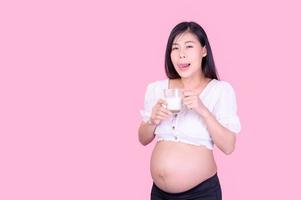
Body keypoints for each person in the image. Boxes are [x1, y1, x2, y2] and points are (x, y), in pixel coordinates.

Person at [138, 21, 241, 200]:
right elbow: (143, 139)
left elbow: (228, 146)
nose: (181, 55)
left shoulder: (220, 91)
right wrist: (152, 120)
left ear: (203, 51)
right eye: (175, 48)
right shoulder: (157, 89)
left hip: (200, 194)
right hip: (159, 194)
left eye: (189, 46)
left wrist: (203, 110)